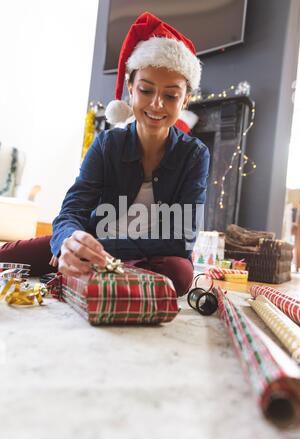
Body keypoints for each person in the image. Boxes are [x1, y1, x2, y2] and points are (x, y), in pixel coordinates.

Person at [0, 11, 210, 297]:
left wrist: (98, 249)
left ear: (185, 99)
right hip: (95, 242)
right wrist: (68, 243)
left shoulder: (195, 155)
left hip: (149, 256)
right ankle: (100, 273)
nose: (156, 104)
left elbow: (181, 240)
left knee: (180, 274)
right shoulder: (107, 144)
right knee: (9, 256)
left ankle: (93, 272)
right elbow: (72, 210)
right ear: (131, 89)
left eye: (171, 96)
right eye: (146, 90)